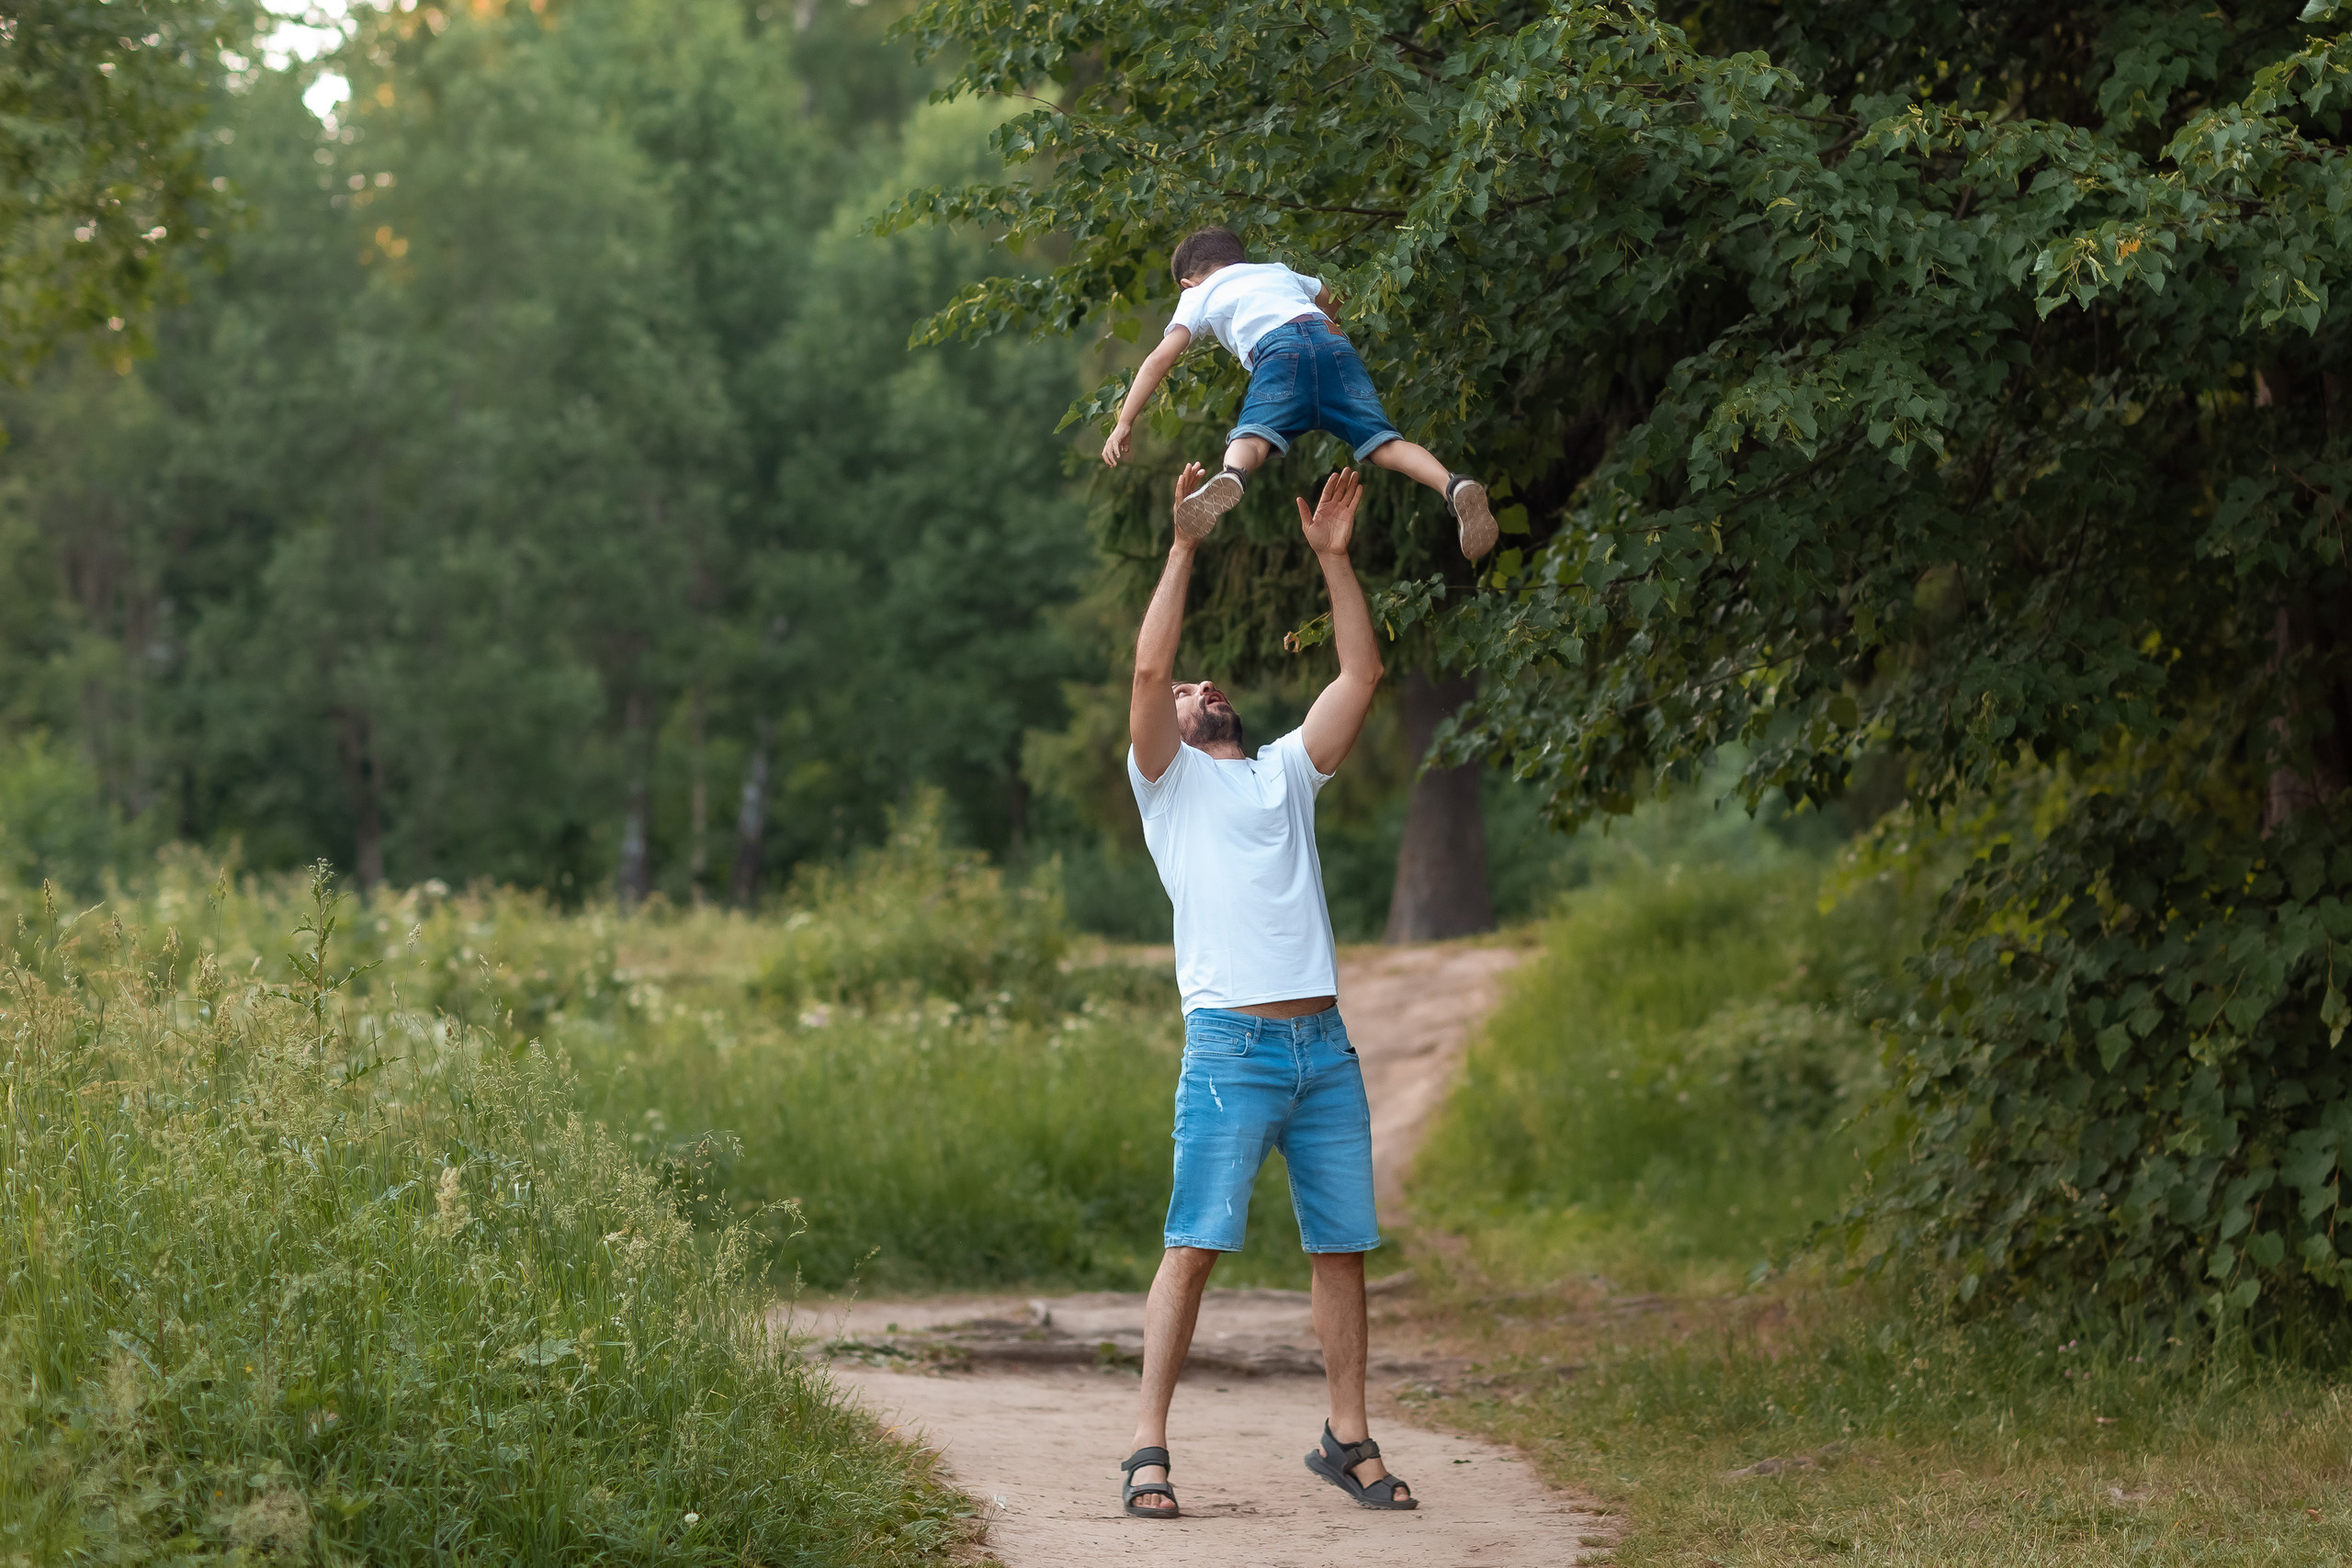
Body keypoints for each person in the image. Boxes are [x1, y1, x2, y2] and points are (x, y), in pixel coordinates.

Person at [1114, 460, 1417, 1521]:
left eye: (1208, 685)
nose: (1198, 687)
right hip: (1231, 1050)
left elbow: (1361, 677)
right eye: (1191, 687)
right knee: (1193, 1245)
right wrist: (1185, 542)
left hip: (1322, 1050)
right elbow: (1148, 679)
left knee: (1342, 1249)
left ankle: (1346, 1437)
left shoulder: (1284, 769)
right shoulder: (1167, 784)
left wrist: (1335, 563)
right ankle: (1146, 1447)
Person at [1099, 224, 1497, 561]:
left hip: (1278, 352)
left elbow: (1158, 359)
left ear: (1187, 282)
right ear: (1239, 259)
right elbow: (1334, 302)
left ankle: (1232, 476)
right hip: (1333, 344)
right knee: (1385, 443)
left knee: (1251, 436)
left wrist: (1123, 422)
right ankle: (1452, 485)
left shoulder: (1197, 293)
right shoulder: (1275, 270)